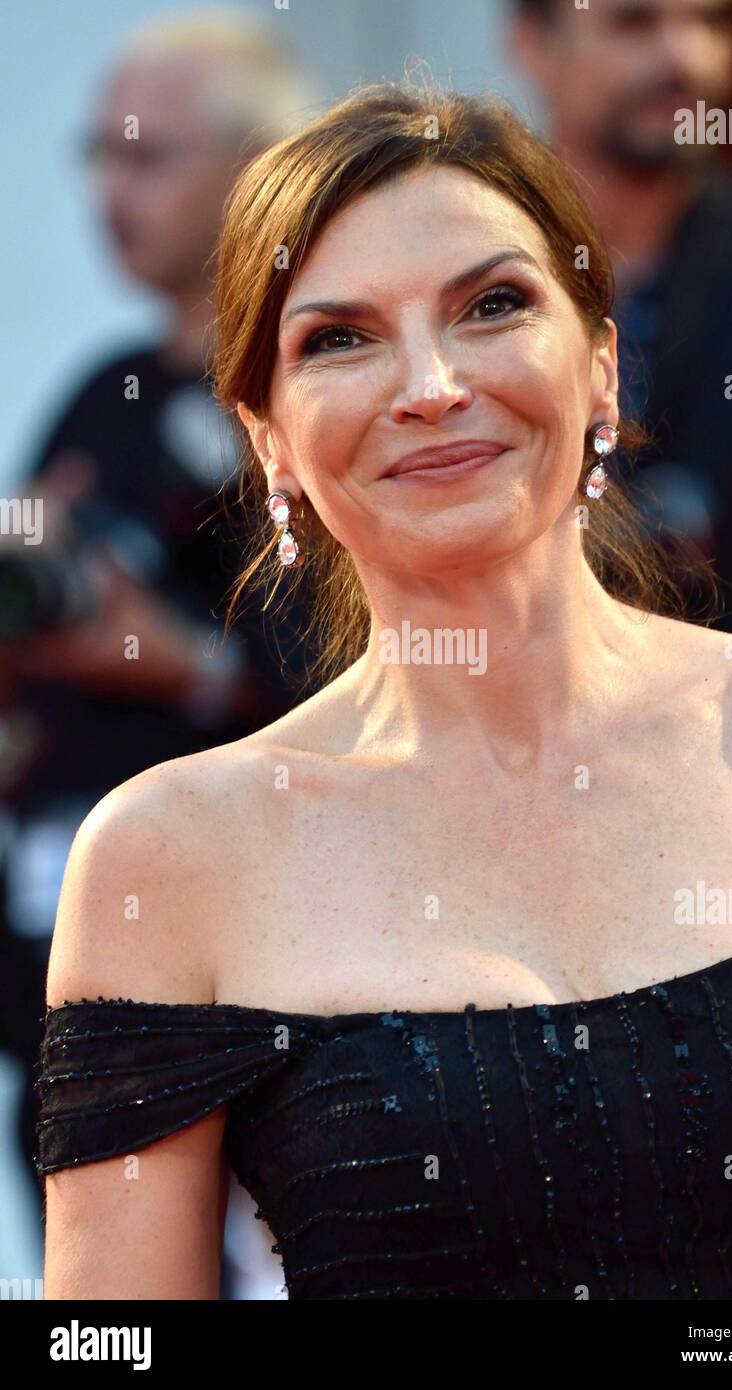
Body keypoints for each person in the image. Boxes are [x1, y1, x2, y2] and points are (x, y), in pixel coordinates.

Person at [35, 79, 732, 1302]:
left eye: (490, 305)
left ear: (598, 367)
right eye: (338, 337)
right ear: (269, 439)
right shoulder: (169, 857)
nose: (427, 383)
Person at [0, 11, 320, 1227]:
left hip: (242, 994)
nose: (109, 190)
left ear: (255, 167)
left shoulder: (309, 396)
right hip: (62, 992)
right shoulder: (103, 390)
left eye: (145, 155)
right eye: (96, 157)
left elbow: (361, 687)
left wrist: (168, 657)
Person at [503, 0, 732, 647]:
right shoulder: (469, 278)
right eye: (634, 23)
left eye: (710, 22)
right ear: (534, 44)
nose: (685, 58)